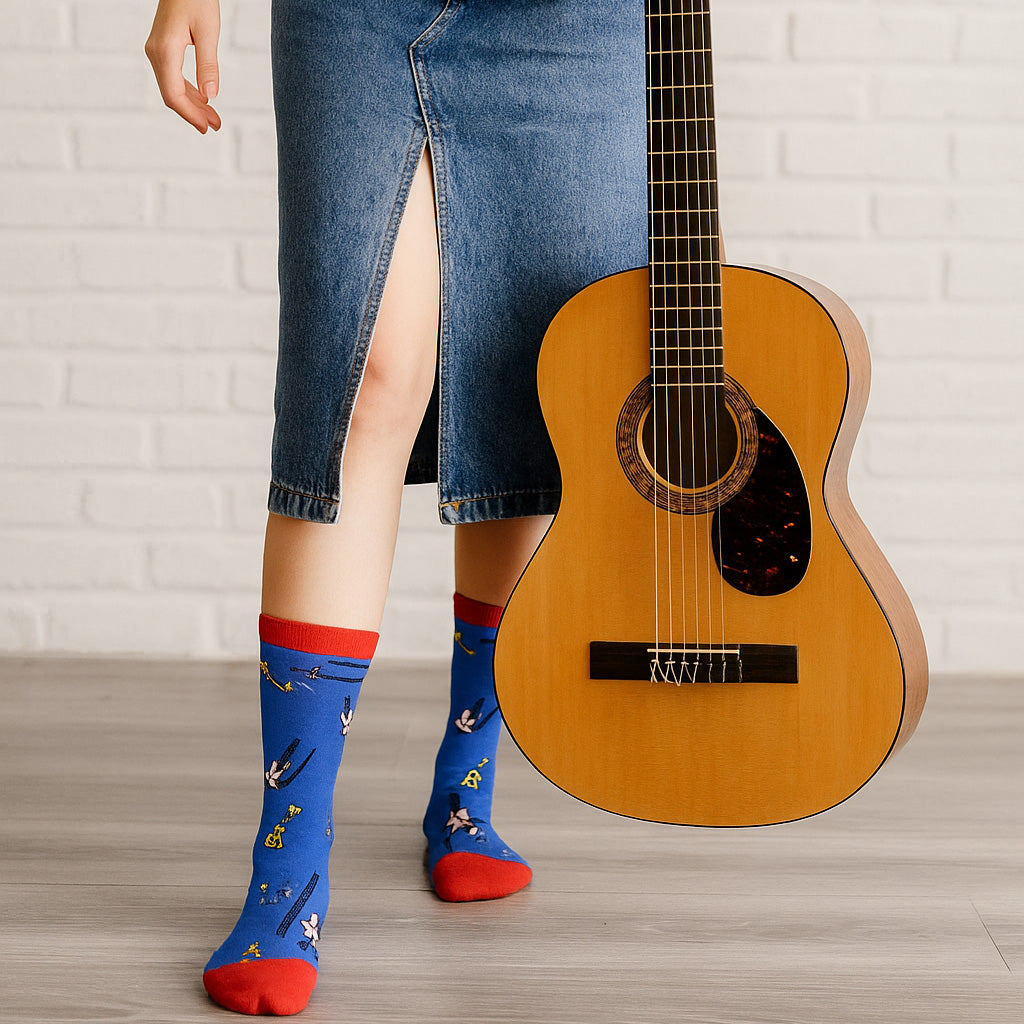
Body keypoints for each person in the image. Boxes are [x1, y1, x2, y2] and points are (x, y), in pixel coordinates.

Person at [146, 0, 646, 1014]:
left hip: (575, 24)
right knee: (360, 375)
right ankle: (287, 864)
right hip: (353, 12)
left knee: (523, 381)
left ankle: (466, 784)